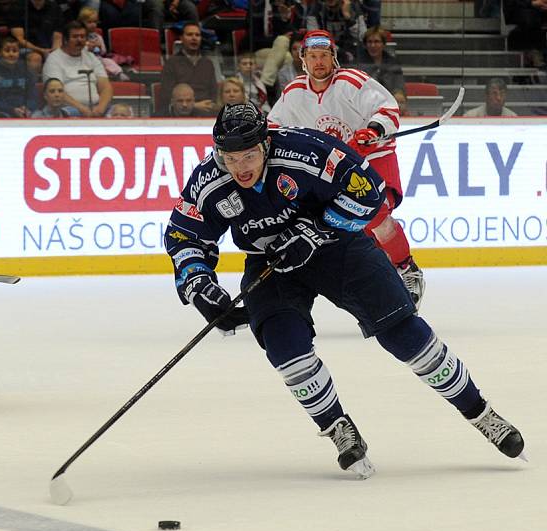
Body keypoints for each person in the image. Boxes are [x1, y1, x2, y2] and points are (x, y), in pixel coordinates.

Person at [164, 102, 526, 477]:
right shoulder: (209, 180)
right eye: (230, 158)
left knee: (404, 335)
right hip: (272, 263)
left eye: (249, 155)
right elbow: (184, 235)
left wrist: (316, 230)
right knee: (284, 344)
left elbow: (368, 192)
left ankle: (480, 412)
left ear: (267, 144)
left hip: (337, 248)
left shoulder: (305, 150)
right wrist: (200, 285)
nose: (240, 167)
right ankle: (338, 427)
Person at [268, 30, 425, 309]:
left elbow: (387, 109)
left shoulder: (351, 81)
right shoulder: (293, 93)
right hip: (334, 168)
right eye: (313, 56)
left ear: (333, 57)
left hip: (373, 158)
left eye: (324, 56)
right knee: (343, 228)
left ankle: (406, 268)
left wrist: (371, 130)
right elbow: (274, 128)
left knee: (374, 214)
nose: (319, 62)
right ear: (303, 59)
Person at [42, 20, 112, 117]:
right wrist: (83, 109)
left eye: (82, 36)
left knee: (120, 111)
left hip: (95, 108)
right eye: (75, 37)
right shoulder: (54, 59)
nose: (79, 40)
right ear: (65, 39)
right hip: (67, 108)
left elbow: (105, 87)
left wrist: (101, 108)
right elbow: (55, 92)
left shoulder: (91, 57)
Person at [157, 22, 218, 117]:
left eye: (197, 35)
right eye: (189, 34)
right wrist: (193, 105)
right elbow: (166, 95)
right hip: (181, 111)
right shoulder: (172, 62)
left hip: (206, 111)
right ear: (181, 38)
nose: (194, 38)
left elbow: (214, 92)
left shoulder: (207, 63)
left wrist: (211, 105)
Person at [355, 26, 404, 98]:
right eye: (369, 42)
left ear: (383, 44)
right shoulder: (358, 63)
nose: (373, 45)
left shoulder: (393, 63)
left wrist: (399, 93)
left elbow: (398, 85)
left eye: (377, 41)